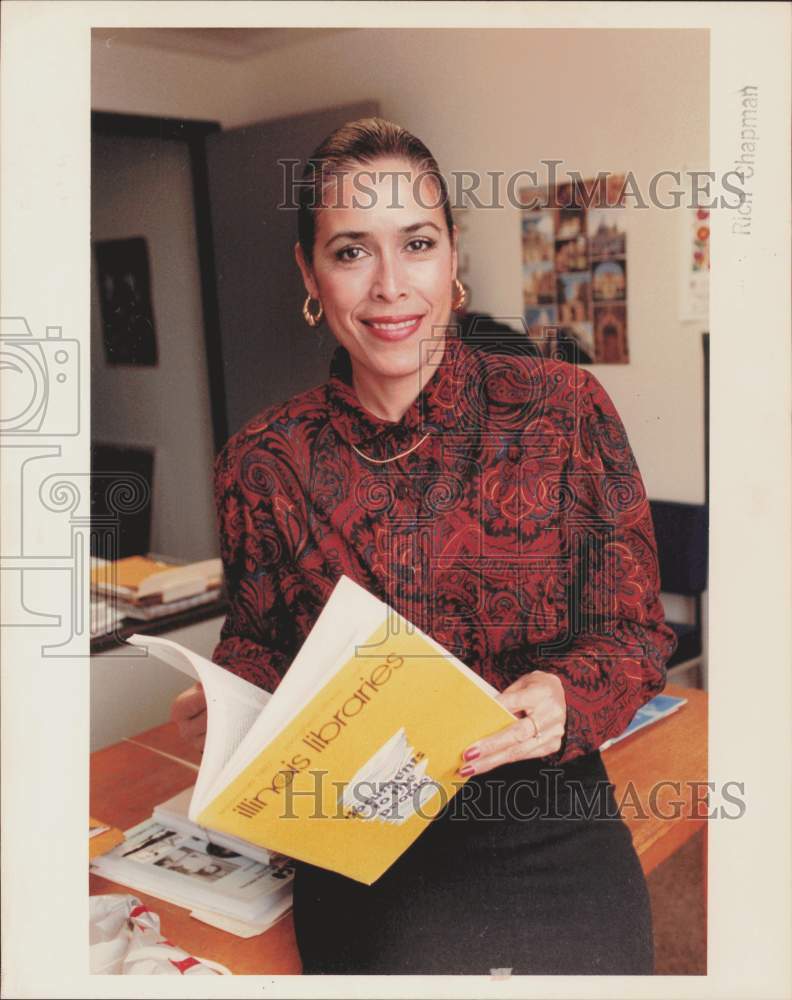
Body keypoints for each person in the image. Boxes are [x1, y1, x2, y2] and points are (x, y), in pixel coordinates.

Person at [172, 117, 677, 975]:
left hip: (545, 813)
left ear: (453, 261)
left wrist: (563, 694)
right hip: (359, 822)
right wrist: (228, 693)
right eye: (351, 252)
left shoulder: (563, 410)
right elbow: (260, 638)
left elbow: (636, 635)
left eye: (416, 243)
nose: (390, 286)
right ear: (310, 274)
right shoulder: (262, 459)